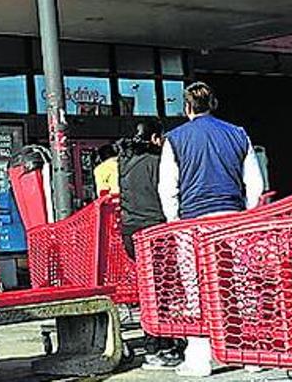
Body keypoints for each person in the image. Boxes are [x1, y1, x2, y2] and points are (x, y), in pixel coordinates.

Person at [158, 82, 264, 378]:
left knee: (196, 290)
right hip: (232, 219)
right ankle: (251, 354)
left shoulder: (175, 139)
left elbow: (168, 188)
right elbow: (255, 183)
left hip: (193, 224)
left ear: (187, 107)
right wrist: (248, 214)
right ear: (213, 103)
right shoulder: (238, 133)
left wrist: (174, 222)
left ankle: (200, 359)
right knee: (241, 287)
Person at [117, 120, 183, 370]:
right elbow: (169, 193)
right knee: (164, 289)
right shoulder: (158, 162)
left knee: (150, 289)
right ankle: (161, 343)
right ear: (155, 138)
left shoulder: (124, 160)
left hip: (132, 233)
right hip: (156, 230)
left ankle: (156, 341)